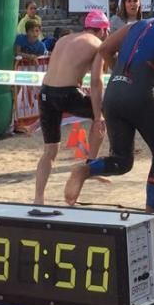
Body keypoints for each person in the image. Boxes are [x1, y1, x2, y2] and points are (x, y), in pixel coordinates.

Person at [64, 2, 154, 211]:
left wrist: (121, 74)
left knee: (122, 160)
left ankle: (85, 170)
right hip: (143, 95)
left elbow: (105, 48)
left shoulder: (137, 25)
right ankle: (150, 211)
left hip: (114, 94)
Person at [33, 11, 111, 204]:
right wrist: (98, 113)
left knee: (49, 151)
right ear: (103, 30)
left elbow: (60, 70)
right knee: (101, 117)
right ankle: (90, 165)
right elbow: (96, 82)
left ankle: (38, 198)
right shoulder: (98, 45)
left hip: (46, 93)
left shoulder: (64, 39)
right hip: (66, 93)